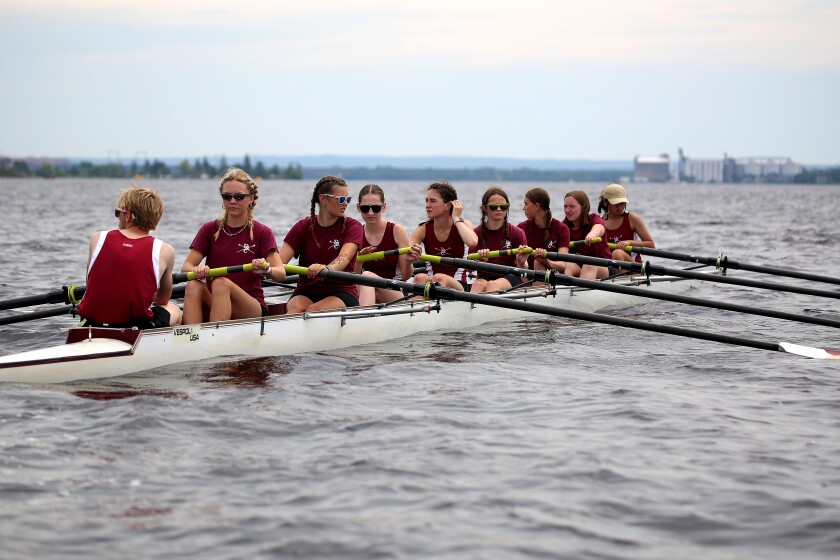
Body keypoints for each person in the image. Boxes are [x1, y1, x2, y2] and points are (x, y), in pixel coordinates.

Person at [181, 168, 285, 324]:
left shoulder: (262, 232)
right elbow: (186, 267)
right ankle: (190, 338)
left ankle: (216, 339)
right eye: (227, 196)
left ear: (251, 198)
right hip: (217, 300)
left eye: (239, 197)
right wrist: (197, 270)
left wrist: (267, 269)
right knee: (193, 285)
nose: (233, 201)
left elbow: (281, 273)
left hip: (251, 307)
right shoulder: (209, 229)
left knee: (220, 282)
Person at [78, 186, 182, 328]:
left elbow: (92, 285)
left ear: (127, 215)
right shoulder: (165, 250)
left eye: (118, 212)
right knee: (175, 310)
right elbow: (161, 301)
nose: (118, 217)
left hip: (90, 323)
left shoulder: (97, 238)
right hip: (135, 326)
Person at [279, 175, 364, 313]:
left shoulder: (352, 226)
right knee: (296, 309)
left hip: (341, 291)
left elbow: (345, 257)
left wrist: (327, 268)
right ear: (323, 199)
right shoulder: (302, 227)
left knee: (314, 310)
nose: (345, 203)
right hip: (306, 290)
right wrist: (265, 265)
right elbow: (279, 261)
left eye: (347, 199)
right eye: (341, 199)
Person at [407, 181, 478, 291]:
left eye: (433, 201)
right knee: (420, 277)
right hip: (431, 285)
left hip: (459, 286)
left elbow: (472, 242)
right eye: (426, 201)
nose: (427, 205)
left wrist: (456, 218)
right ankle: (417, 305)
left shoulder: (463, 225)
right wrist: (409, 258)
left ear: (448, 205)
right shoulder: (422, 230)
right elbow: (404, 256)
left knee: (439, 277)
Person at [354, 184, 414, 305]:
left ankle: (362, 317)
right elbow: (353, 277)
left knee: (367, 276)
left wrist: (408, 262)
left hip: (396, 291)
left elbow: (406, 276)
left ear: (384, 207)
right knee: (364, 279)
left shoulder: (397, 231)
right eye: (365, 208)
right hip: (366, 289)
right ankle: (364, 314)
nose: (370, 212)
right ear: (358, 208)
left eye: (376, 208)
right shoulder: (356, 234)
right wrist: (358, 259)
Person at [470, 187, 529, 293]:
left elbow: (524, 267)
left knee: (493, 285)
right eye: (493, 207)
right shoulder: (475, 234)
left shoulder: (517, 233)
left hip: (513, 275)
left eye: (503, 207)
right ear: (484, 208)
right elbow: (468, 269)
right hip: (485, 277)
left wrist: (521, 262)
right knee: (477, 286)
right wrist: (478, 261)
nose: (499, 210)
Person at [517, 187, 570, 276]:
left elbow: (563, 265)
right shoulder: (521, 228)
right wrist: (520, 263)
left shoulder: (562, 229)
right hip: (527, 276)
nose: (523, 208)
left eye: (526, 204)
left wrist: (546, 261)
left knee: (538, 262)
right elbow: (518, 266)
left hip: (553, 278)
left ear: (537, 206)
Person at [598, 183, 655, 263]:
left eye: (622, 203)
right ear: (605, 203)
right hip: (608, 269)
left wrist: (629, 242)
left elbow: (651, 245)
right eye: (616, 203)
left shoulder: (632, 219)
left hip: (633, 268)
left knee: (617, 253)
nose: (620, 207)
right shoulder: (598, 223)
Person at [562, 190, 612, 279]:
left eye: (572, 207)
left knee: (588, 264)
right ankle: (563, 292)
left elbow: (599, 228)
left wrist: (592, 234)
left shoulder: (593, 219)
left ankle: (583, 292)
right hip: (578, 266)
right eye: (565, 206)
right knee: (567, 266)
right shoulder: (563, 227)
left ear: (583, 207)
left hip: (603, 266)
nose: (567, 210)